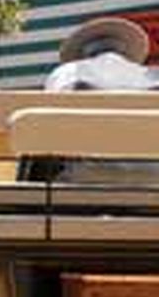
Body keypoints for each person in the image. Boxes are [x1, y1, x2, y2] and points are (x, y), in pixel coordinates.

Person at [20, 16, 159, 184]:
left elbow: (48, 124)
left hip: (83, 175)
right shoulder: (154, 76)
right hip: (153, 177)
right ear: (126, 52)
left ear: (82, 54)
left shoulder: (68, 72)